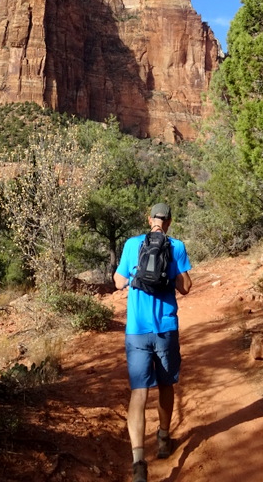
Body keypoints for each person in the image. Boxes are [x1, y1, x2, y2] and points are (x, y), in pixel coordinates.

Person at [113, 202, 192, 482]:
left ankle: (138, 461)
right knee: (166, 384)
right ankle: (163, 437)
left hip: (136, 330)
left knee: (139, 392)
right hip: (166, 328)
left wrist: (132, 277)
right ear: (169, 221)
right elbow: (186, 287)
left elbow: (117, 281)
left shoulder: (131, 244)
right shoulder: (177, 247)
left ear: (149, 220)